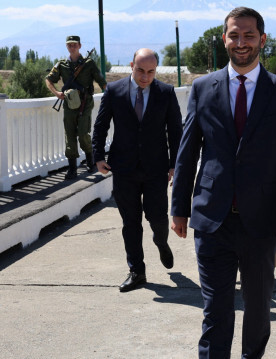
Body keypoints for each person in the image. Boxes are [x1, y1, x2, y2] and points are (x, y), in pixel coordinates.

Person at [170, 7, 276, 358]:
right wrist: (179, 208)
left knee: (259, 310)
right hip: (211, 220)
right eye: (234, 35)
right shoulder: (202, 88)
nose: (241, 42)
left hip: (262, 224)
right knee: (215, 311)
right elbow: (187, 154)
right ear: (224, 39)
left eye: (249, 35)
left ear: (262, 40)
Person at [92, 48, 183, 292]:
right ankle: (137, 271)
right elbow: (100, 125)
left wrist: (175, 164)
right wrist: (98, 156)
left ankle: (161, 242)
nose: (145, 77)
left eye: (151, 72)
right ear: (131, 65)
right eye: (140, 70)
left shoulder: (165, 92)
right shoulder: (114, 91)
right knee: (130, 222)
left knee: (157, 217)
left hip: (156, 169)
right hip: (123, 168)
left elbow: (176, 132)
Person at [46, 35, 107, 179]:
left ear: (79, 46)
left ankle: (90, 161)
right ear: (67, 47)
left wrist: (112, 97)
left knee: (83, 133)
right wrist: (57, 93)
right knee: (70, 134)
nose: (72, 47)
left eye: (74, 44)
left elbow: (102, 82)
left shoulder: (89, 63)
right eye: (69, 45)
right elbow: (49, 80)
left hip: (85, 102)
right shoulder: (62, 64)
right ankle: (72, 168)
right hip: (69, 103)